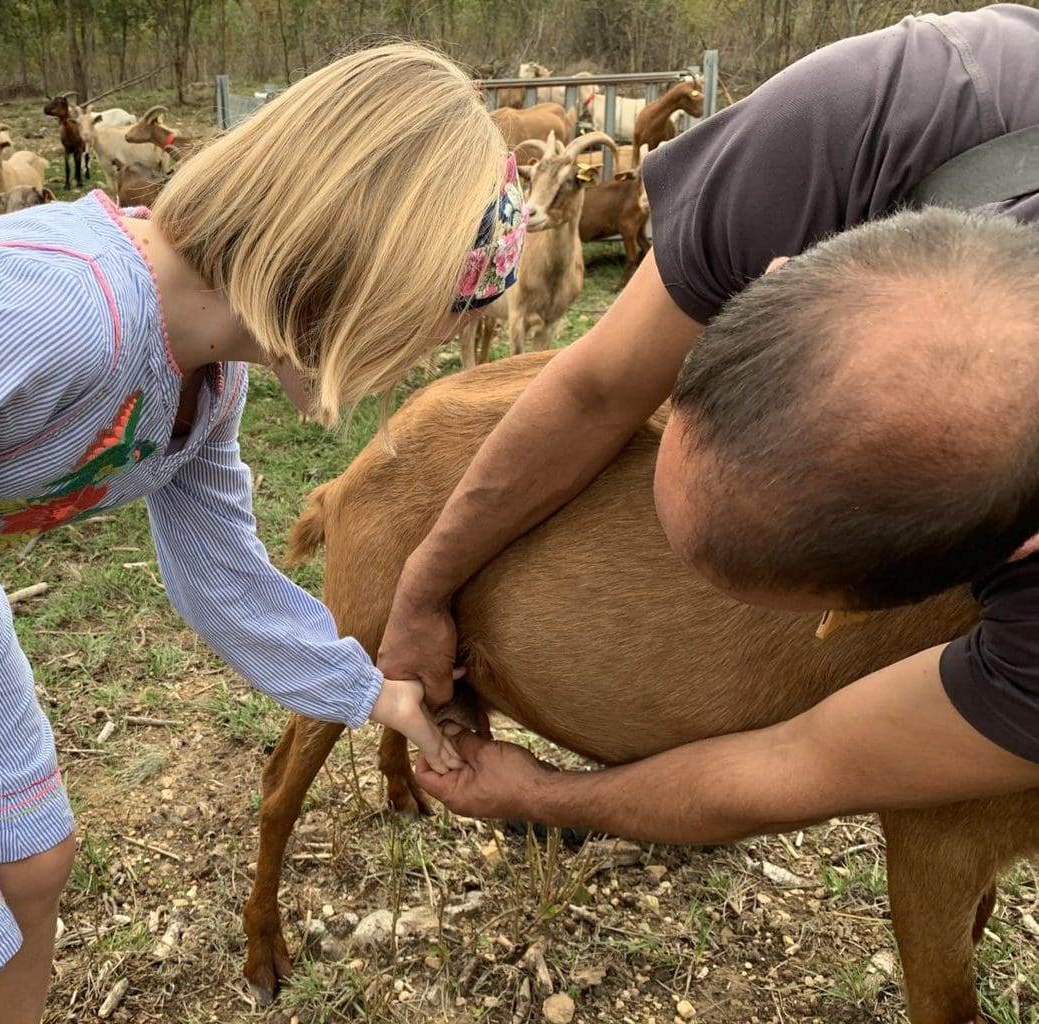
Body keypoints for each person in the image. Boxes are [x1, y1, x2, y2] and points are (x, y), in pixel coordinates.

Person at [0, 44, 524, 1024]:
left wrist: (374, 693)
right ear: (339, 277)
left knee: (34, 859)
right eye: (414, 330)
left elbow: (223, 575)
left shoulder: (206, 380)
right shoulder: (58, 319)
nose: (406, 365)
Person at [380, 5, 1039, 836]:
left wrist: (541, 798)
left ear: (1009, 553)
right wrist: (420, 590)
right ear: (775, 273)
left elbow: (804, 761)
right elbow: (596, 391)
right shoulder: (858, 114)